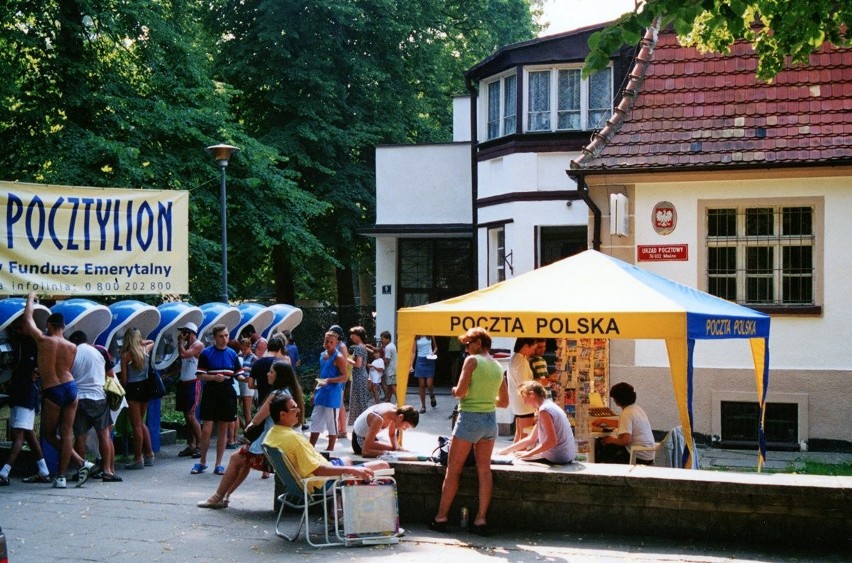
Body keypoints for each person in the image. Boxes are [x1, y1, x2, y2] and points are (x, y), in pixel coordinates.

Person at [430, 327, 508, 536]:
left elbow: (461, 392)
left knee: (453, 470)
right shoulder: (498, 366)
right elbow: (505, 402)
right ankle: (480, 520)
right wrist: (486, 398)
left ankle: (441, 517)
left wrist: (455, 391)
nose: (465, 348)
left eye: (467, 344)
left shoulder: (472, 361)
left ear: (479, 343)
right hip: (490, 421)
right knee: (484, 470)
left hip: (469, 418)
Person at [197, 361, 303, 508]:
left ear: (279, 376)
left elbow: (257, 420)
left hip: (270, 448)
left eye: (271, 372)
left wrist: (248, 429)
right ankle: (224, 496)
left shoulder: (275, 396)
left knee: (236, 459)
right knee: (243, 460)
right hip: (280, 446)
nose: (268, 374)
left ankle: (217, 498)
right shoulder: (289, 393)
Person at [21, 293, 94, 489]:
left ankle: (79, 464)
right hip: (70, 388)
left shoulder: (44, 340)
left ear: (50, 326)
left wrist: (30, 299)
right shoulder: (72, 346)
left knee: (49, 434)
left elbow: (28, 322)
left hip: (53, 389)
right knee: (67, 431)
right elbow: (65, 368)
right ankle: (66, 474)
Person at [264, 393, 389, 491]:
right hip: (320, 482)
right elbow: (319, 471)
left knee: (347, 460)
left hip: (307, 479)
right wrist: (353, 471)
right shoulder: (294, 438)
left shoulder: (271, 434)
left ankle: (336, 508)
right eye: (294, 408)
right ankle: (343, 508)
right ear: (283, 415)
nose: (298, 411)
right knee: (383, 465)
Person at [0, 320, 51, 486]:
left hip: (26, 393)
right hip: (18, 391)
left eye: (19, 328)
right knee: (28, 432)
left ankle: (4, 471)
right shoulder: (20, 344)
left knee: (19, 433)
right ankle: (43, 470)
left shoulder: (30, 344)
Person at [69, 331, 121, 481]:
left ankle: (81, 470)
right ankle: (107, 471)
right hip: (99, 398)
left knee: (80, 436)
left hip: (79, 399)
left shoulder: (72, 352)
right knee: (104, 434)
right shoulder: (99, 351)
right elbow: (110, 376)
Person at [192, 324, 243, 475]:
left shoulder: (233, 354)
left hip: (227, 391)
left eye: (226, 335)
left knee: (224, 428)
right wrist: (213, 377)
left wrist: (248, 379)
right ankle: (202, 461)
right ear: (214, 338)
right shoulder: (206, 353)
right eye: (221, 336)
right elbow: (200, 375)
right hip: (211, 391)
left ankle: (219, 464)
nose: (224, 339)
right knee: (207, 429)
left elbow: (238, 374)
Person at [497, 381, 575, 465]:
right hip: (567, 455)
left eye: (524, 397)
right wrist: (505, 451)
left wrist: (528, 454)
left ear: (532, 394)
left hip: (558, 456)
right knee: (519, 454)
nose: (524, 402)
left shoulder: (544, 410)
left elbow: (552, 441)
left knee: (518, 460)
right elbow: (531, 439)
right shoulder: (548, 406)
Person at [592, 382, 656, 465]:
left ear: (617, 400)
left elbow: (626, 440)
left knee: (603, 445)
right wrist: (604, 420)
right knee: (608, 443)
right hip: (648, 454)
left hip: (638, 456)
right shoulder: (636, 409)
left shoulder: (627, 413)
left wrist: (612, 440)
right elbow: (623, 424)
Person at [119, 327, 156, 470]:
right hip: (146, 387)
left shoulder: (126, 356)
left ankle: (138, 458)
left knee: (136, 425)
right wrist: (141, 342)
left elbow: (125, 378)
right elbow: (152, 341)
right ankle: (149, 454)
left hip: (133, 389)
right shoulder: (146, 350)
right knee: (141, 422)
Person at [309, 331, 348, 451]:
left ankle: (330, 450)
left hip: (332, 395)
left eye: (331, 342)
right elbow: (321, 375)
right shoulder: (322, 355)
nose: (328, 344)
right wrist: (314, 392)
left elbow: (344, 377)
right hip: (321, 393)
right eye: (326, 341)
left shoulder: (339, 357)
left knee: (332, 423)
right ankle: (310, 448)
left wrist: (329, 380)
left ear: (336, 343)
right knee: (315, 421)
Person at [176, 321, 203, 458]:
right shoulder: (186, 345)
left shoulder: (198, 345)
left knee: (191, 416)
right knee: (186, 416)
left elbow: (184, 355)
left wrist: (180, 343)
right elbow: (182, 363)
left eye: (184, 332)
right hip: (184, 382)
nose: (181, 335)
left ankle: (200, 445)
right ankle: (191, 444)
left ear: (190, 333)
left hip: (193, 382)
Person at [351, 403, 419, 458]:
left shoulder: (394, 413)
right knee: (393, 453)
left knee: (395, 450)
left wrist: (398, 449)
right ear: (401, 417)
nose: (404, 429)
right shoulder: (378, 419)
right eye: (406, 426)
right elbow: (365, 452)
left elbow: (392, 434)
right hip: (358, 439)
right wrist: (389, 454)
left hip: (368, 437)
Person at [507, 338, 537, 443]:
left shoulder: (515, 358)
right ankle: (521, 456)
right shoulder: (521, 361)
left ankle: (515, 455)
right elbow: (524, 385)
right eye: (533, 347)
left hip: (518, 403)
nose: (533, 351)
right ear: (525, 346)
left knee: (519, 435)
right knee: (525, 437)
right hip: (524, 405)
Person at [328, 324, 350, 439]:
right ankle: (338, 429)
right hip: (334, 377)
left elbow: (344, 362)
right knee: (337, 403)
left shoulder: (341, 346)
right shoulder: (335, 345)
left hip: (339, 378)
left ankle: (343, 430)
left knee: (339, 403)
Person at [346, 326, 371, 425]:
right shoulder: (363, 346)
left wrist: (346, 358)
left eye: (353, 334)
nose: (351, 336)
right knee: (361, 400)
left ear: (358, 336)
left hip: (359, 377)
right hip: (362, 375)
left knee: (360, 401)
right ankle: (363, 422)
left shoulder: (358, 348)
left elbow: (358, 364)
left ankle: (365, 422)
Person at [410, 335, 437, 413]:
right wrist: (411, 365)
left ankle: (432, 395)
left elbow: (435, 347)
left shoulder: (430, 335)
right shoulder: (416, 337)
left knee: (429, 384)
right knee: (421, 384)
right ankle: (423, 406)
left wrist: (433, 352)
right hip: (420, 360)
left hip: (430, 359)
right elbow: (413, 352)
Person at [237, 337, 256, 431]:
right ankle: (246, 429)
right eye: (242, 349)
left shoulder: (254, 358)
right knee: (239, 410)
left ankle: (250, 432)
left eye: (245, 349)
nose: (243, 351)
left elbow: (258, 371)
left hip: (248, 383)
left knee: (247, 410)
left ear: (250, 347)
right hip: (240, 382)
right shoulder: (241, 356)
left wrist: (249, 369)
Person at [379, 331, 397, 403]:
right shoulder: (392, 345)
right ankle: (388, 400)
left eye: (382, 339)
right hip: (392, 369)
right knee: (390, 386)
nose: (381, 340)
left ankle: (399, 401)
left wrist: (380, 364)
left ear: (387, 339)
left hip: (390, 370)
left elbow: (387, 360)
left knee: (392, 385)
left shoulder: (388, 347)